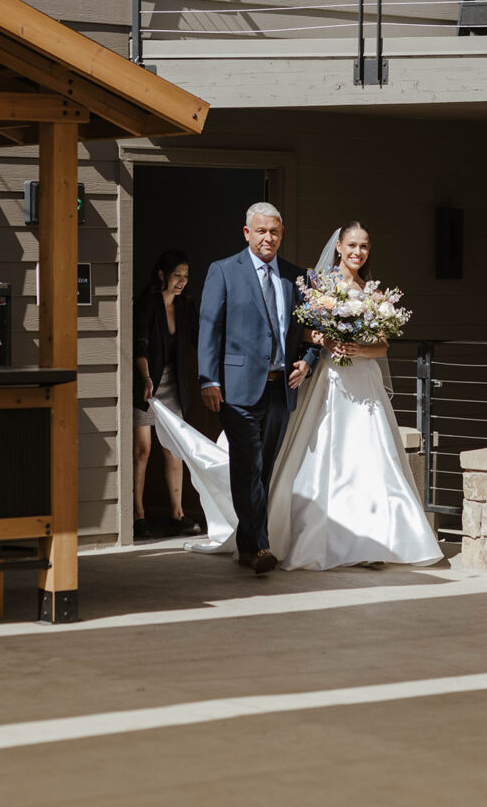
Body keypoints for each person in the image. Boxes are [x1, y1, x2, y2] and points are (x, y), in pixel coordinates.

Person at [151, 221, 442, 572]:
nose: (357, 252)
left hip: (364, 383)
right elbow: (301, 330)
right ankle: (310, 536)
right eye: (352, 245)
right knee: (327, 457)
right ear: (338, 247)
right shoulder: (319, 285)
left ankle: (373, 538)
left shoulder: (372, 292)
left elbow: (381, 344)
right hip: (329, 379)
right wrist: (325, 342)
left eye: (364, 247)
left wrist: (359, 349)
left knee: (372, 457)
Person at [198, 202, 318, 574]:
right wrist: (209, 378)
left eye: (275, 232)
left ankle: (248, 545)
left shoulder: (296, 278)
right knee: (248, 465)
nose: (269, 238)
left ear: (282, 233)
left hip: (280, 388)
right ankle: (260, 546)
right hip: (237, 389)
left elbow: (314, 331)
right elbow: (210, 327)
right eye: (261, 231)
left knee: (264, 469)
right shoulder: (223, 271)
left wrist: (307, 362)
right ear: (247, 233)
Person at [132, 249, 201, 540]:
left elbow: (200, 340)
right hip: (145, 382)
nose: (182, 282)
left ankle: (177, 514)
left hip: (173, 384)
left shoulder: (186, 305)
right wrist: (146, 378)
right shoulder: (147, 302)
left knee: (175, 449)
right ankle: (137, 515)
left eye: (185, 277)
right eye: (177, 275)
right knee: (143, 450)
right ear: (162, 274)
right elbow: (140, 345)